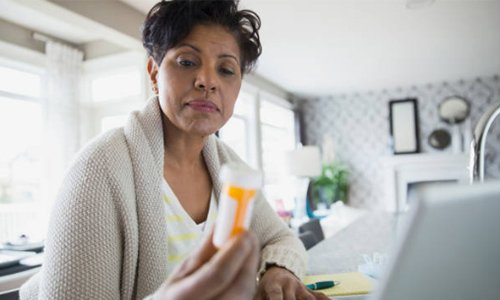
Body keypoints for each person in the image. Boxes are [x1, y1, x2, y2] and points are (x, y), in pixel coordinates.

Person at [20, 0, 328, 299]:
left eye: (226, 69)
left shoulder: (231, 169)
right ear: (154, 74)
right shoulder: (98, 171)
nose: (207, 81)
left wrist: (278, 270)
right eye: (187, 62)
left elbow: (281, 237)